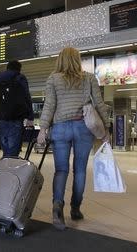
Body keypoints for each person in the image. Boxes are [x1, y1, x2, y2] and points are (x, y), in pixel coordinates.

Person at [37, 47, 110, 231]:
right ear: (78, 60)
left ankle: (57, 206)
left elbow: (49, 106)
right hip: (83, 127)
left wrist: (43, 128)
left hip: (60, 128)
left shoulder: (53, 79)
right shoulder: (89, 78)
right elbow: (99, 104)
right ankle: (75, 208)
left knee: (61, 170)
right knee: (80, 171)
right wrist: (106, 129)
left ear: (60, 59)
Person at [0, 59, 34, 157]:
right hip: (16, 119)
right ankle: (8, 169)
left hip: (2, 120)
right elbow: (27, 97)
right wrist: (30, 117)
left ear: (7, 67)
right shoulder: (20, 78)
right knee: (13, 152)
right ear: (19, 69)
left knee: (6, 151)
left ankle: (5, 168)